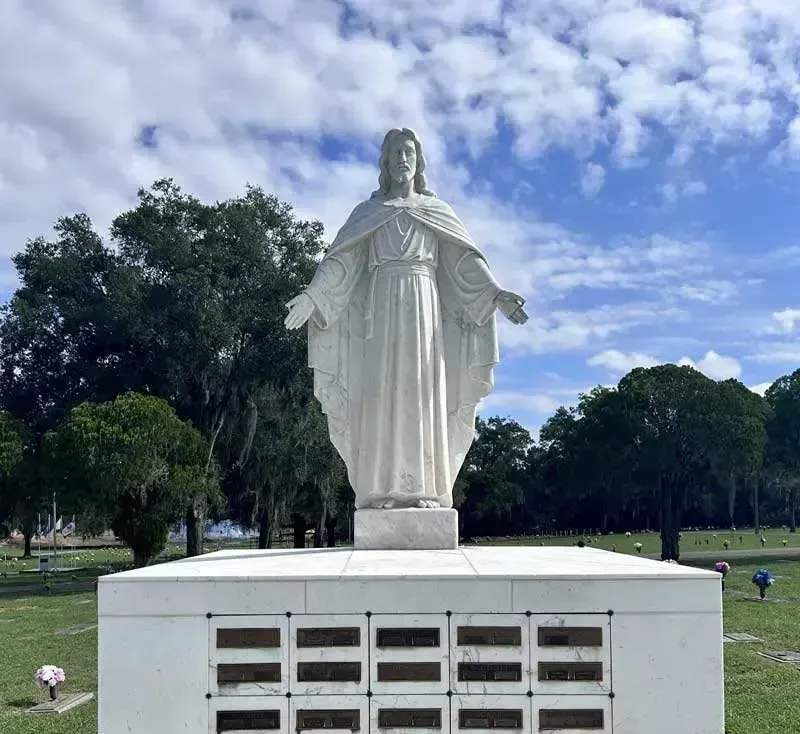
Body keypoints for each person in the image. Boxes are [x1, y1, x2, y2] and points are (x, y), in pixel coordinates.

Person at [284, 128, 528, 510]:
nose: (402, 159)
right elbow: (341, 263)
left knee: (422, 391)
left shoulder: (436, 212)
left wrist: (495, 293)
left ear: (418, 162)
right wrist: (313, 295)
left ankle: (425, 491)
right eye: (395, 152)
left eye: (408, 152)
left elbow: (464, 262)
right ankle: (381, 489)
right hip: (381, 307)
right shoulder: (368, 214)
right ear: (385, 162)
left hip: (423, 305)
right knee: (382, 391)